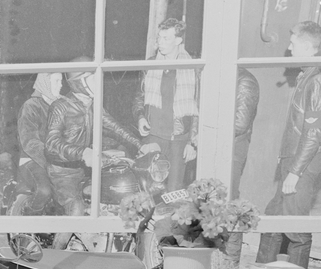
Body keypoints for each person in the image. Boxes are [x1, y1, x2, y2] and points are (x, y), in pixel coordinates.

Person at [256, 21, 321, 269]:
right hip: (293, 160)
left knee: (296, 229)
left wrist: (295, 172)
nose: (289, 49)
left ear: (308, 48)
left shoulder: (317, 81)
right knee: (272, 219)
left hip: (302, 163)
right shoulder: (307, 76)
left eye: (292, 44)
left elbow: (314, 133)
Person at [44, 65, 144, 216]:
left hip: (85, 168)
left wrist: (141, 145)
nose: (99, 84)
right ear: (79, 82)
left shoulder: (94, 106)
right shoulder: (60, 107)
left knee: (114, 195)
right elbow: (51, 144)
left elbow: (116, 128)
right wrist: (83, 153)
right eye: (93, 79)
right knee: (76, 209)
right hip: (62, 173)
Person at [134, 18, 198, 192]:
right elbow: (139, 96)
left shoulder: (193, 67)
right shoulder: (150, 64)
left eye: (166, 39)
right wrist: (140, 117)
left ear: (178, 40)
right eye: (159, 38)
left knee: (174, 191)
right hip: (153, 136)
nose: (160, 43)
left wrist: (192, 143)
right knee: (148, 189)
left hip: (179, 141)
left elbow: (198, 107)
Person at [224, 66, 260, 267]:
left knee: (230, 200)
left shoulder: (245, 81)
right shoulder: (223, 74)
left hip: (233, 148)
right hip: (218, 145)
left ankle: (231, 256)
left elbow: (240, 123)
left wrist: (207, 131)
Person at [10, 73, 61, 215]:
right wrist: (53, 158)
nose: (61, 85)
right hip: (32, 160)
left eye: (61, 81)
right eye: (57, 81)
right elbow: (29, 141)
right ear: (45, 83)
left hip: (59, 160)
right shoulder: (31, 106)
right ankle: (29, 216)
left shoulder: (62, 105)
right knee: (44, 191)